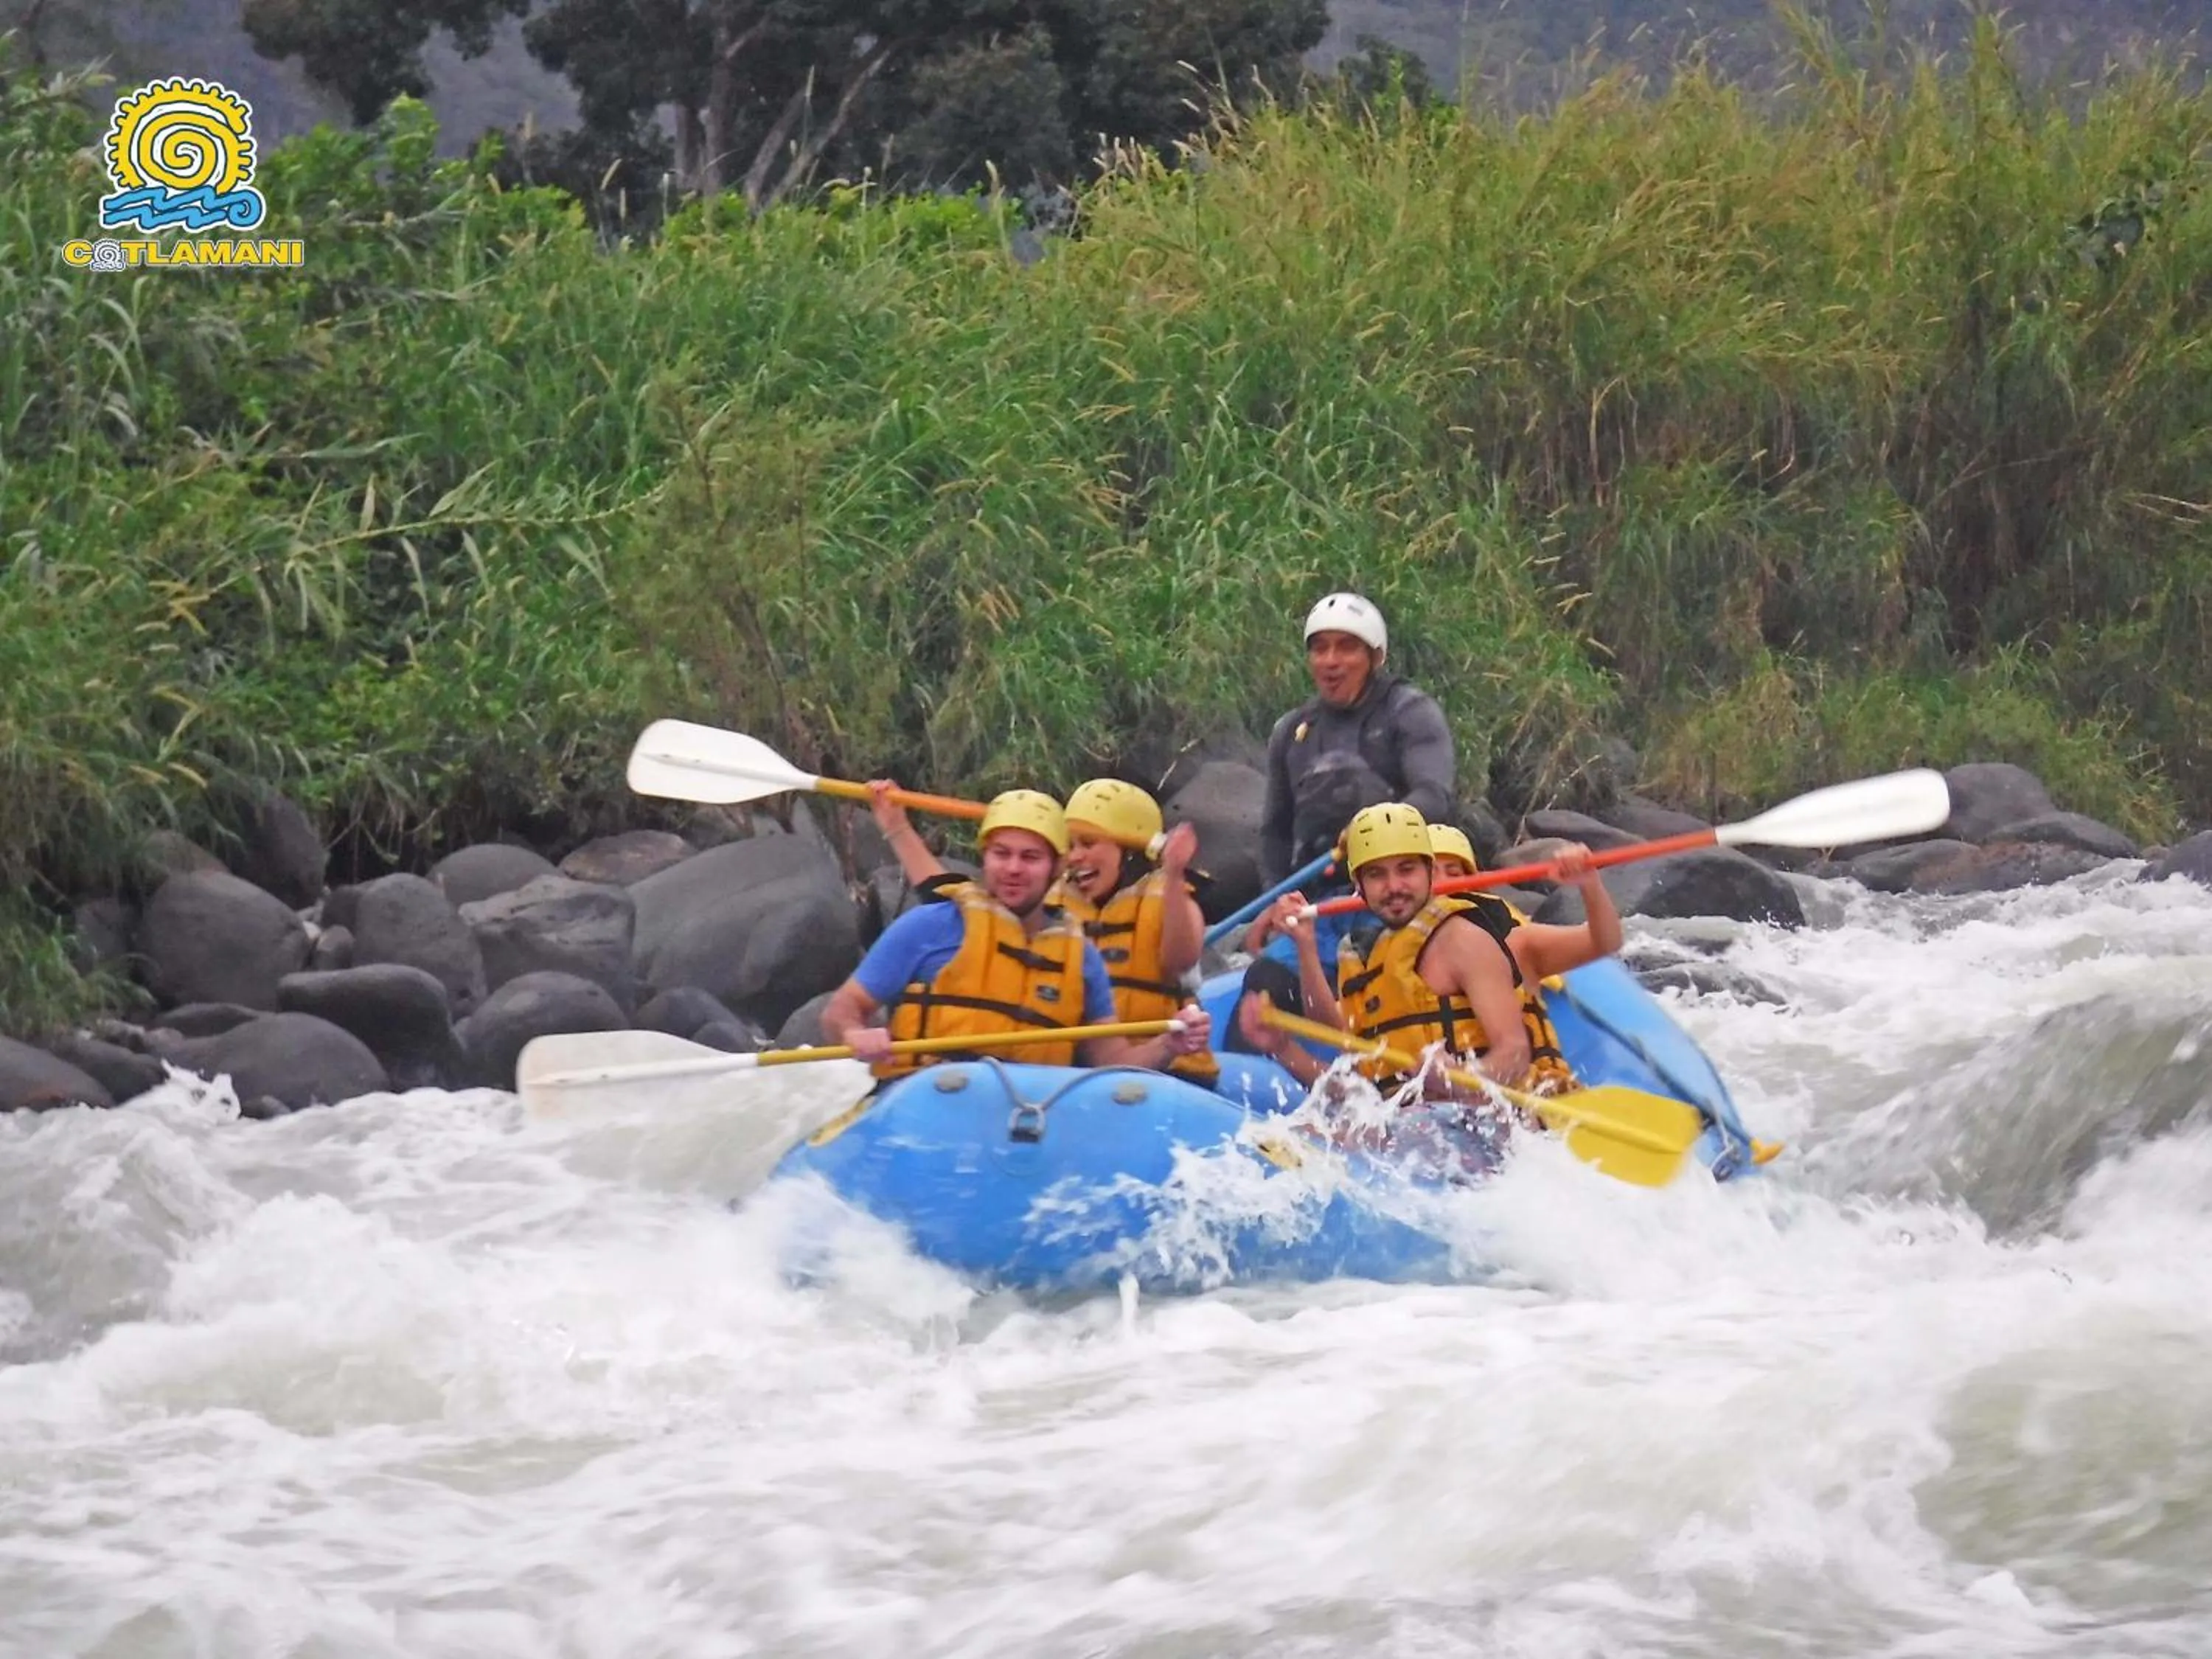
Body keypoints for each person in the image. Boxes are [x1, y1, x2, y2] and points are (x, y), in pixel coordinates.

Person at [1235, 802, 1621, 1102]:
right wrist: (1283, 1045)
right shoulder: (1368, 955)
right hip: (1412, 1131)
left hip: (1484, 1128)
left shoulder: (1470, 939)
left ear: (1426, 872)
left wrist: (1460, 1079)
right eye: (1377, 875)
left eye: (1407, 870)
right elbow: (1353, 1067)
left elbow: (1515, 1054)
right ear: (1360, 887)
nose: (1394, 886)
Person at [821, 789, 1212, 1081]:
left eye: (1030, 857)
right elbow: (842, 1009)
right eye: (1001, 854)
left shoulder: (1078, 957)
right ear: (984, 858)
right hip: (928, 1103)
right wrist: (855, 1033)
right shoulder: (930, 927)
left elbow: (1110, 1060)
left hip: (1027, 1119)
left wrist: (1167, 1045)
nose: (1013, 868)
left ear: (1056, 869)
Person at [1259, 593, 1455, 889]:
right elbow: (1275, 833)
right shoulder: (1290, 730)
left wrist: (1371, 832)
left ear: (1374, 658)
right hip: (1315, 895)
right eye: (1320, 649)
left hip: (1396, 889)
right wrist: (1275, 903)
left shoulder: (1410, 711)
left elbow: (1434, 797)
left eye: (1346, 648)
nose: (1331, 661)